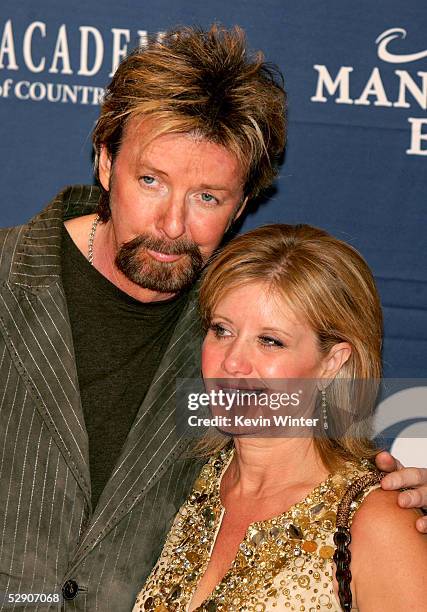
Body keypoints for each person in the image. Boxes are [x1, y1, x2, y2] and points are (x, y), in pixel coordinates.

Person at [0, 24, 425, 612]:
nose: (173, 225)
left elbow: (328, 435)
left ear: (243, 204)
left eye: (207, 197)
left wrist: (403, 503)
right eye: (151, 180)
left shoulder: (232, 318)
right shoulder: (7, 281)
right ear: (105, 163)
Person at [134, 224, 427, 612]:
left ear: (333, 362)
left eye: (270, 341)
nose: (233, 363)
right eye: (222, 331)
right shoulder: (187, 481)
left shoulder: (374, 522)